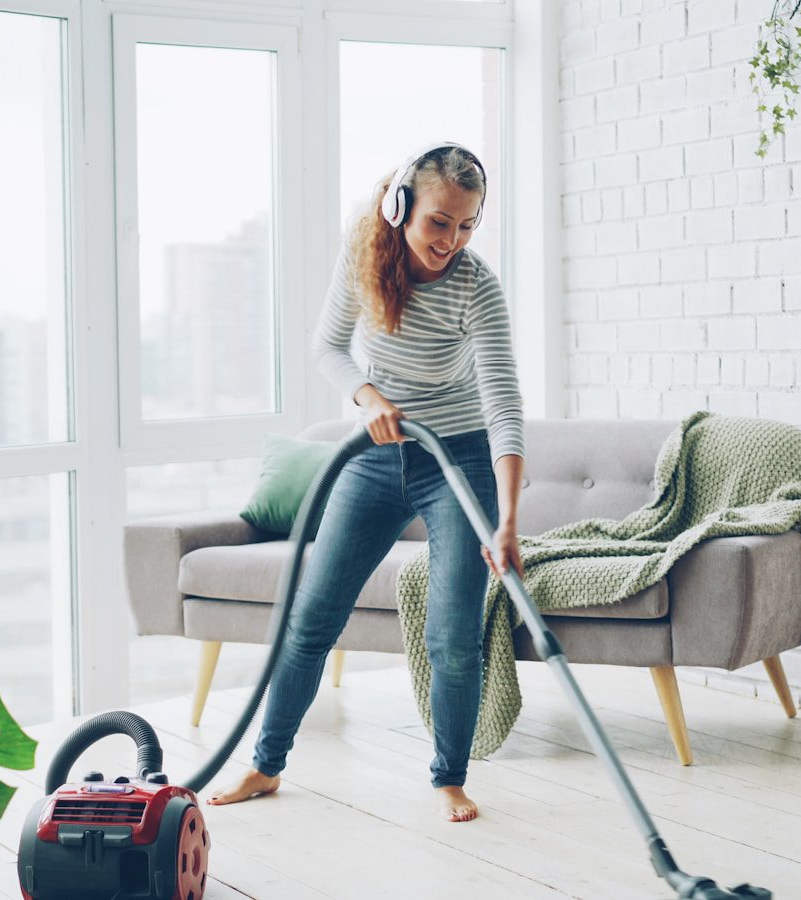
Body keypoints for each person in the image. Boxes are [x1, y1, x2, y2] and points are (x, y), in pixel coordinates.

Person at [208, 143, 525, 823]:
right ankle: (266, 765)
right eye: (440, 221)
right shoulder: (364, 261)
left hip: (458, 462)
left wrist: (507, 521)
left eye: (467, 225)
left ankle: (449, 776)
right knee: (311, 619)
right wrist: (368, 394)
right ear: (400, 205)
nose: (452, 240)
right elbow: (327, 345)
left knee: (453, 636)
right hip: (376, 458)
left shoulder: (477, 287)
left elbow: (502, 404)